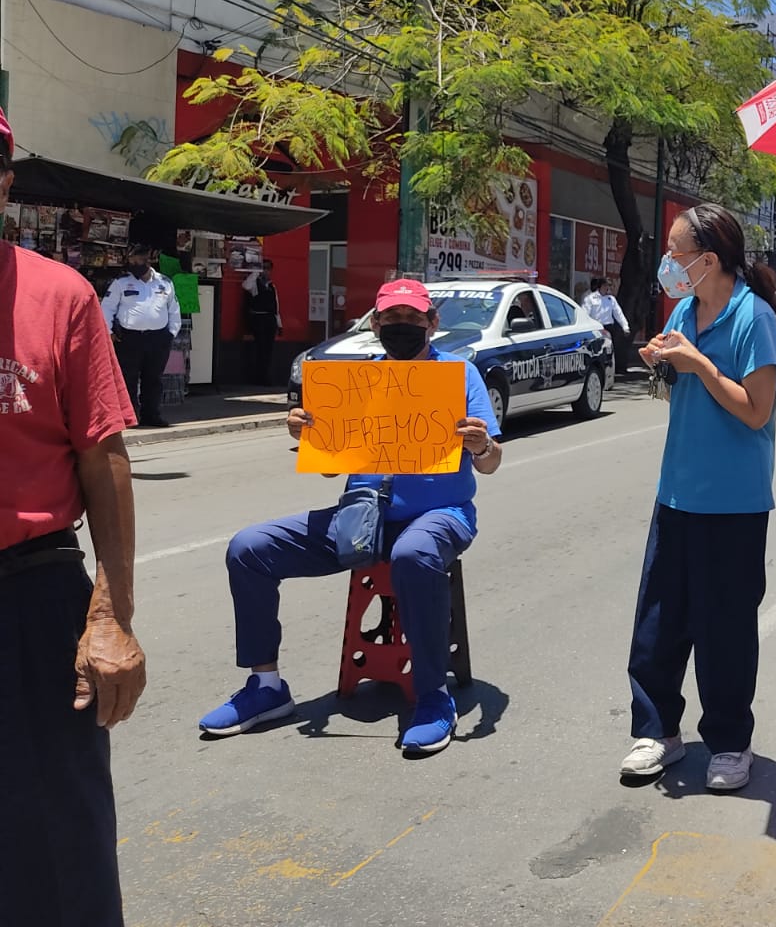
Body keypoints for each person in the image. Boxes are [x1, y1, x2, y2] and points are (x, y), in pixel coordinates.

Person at [198, 279, 502, 756]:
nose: (403, 327)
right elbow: (329, 468)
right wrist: (308, 434)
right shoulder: (355, 383)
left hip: (440, 515)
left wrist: (480, 444)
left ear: (432, 323)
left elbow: (490, 462)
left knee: (414, 551)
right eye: (392, 319)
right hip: (360, 516)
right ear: (375, 324)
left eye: (413, 319)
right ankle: (266, 686)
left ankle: (432, 696)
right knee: (249, 548)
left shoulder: (460, 376)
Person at [0, 107, 147, 926]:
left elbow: (103, 457)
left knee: (60, 844)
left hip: (32, 596)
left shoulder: (61, 296)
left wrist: (110, 616)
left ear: (5, 182)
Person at [620, 205, 776, 793]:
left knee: (725, 628)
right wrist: (665, 366)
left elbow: (755, 410)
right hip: (677, 492)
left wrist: (698, 363)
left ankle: (729, 742)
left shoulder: (753, 318)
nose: (666, 261)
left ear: (707, 260)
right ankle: (657, 730)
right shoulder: (687, 310)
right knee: (659, 621)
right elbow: (681, 398)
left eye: (675, 251)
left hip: (734, 504)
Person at [101, 242, 181, 428]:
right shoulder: (121, 283)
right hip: (129, 338)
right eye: (131, 261)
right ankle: (130, 417)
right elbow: (107, 308)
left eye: (137, 261)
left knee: (153, 378)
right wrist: (109, 333)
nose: (134, 264)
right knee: (128, 378)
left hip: (158, 338)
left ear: (147, 261)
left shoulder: (165, 283)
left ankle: (151, 415)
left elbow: (174, 310)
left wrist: (171, 333)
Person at [583, 275, 632, 375]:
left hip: (609, 328)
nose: (608, 288)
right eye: (606, 285)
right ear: (600, 286)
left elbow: (618, 313)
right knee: (596, 352)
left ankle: (609, 374)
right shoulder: (590, 298)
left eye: (609, 286)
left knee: (609, 352)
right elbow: (585, 314)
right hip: (596, 328)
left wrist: (625, 327)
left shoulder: (611, 299)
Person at [243, 260, 282, 386]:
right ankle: (258, 377)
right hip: (258, 320)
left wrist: (279, 324)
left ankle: (266, 376)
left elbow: (276, 307)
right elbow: (245, 286)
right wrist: (256, 271)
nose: (266, 271)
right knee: (260, 349)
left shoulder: (272, 286)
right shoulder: (255, 283)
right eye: (264, 268)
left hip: (270, 320)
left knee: (268, 350)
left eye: (268, 268)